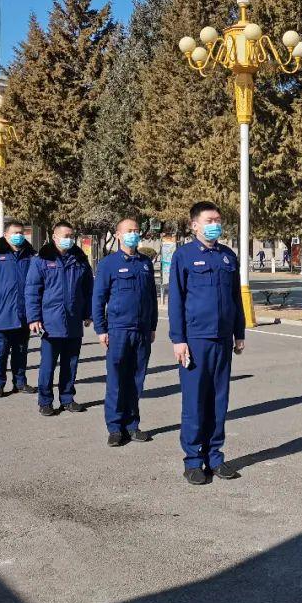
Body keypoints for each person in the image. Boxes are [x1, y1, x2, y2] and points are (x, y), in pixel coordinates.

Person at [168, 201, 245, 485]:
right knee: (195, 401)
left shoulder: (227, 257)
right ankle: (193, 460)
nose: (216, 224)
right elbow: (176, 299)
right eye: (210, 220)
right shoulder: (184, 256)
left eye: (218, 220)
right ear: (195, 225)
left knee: (219, 400)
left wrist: (240, 332)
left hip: (223, 339)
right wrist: (178, 340)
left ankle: (215, 457)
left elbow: (235, 298)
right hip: (195, 340)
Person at [92, 218, 158, 446]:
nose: (134, 234)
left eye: (136, 231)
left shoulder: (145, 263)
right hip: (118, 330)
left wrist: (152, 326)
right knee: (117, 380)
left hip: (141, 331)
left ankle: (132, 424)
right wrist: (101, 329)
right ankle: (115, 427)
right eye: (129, 231)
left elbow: (151, 297)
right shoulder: (108, 264)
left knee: (137, 379)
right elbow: (98, 298)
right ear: (118, 234)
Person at [25, 222, 93, 416]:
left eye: (71, 235)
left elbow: (89, 290)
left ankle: (67, 398)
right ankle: (45, 400)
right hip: (50, 322)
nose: (69, 239)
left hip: (73, 321)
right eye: (65, 235)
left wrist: (88, 313)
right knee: (48, 364)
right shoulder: (41, 260)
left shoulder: (80, 260)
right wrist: (34, 318)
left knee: (71, 363)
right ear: (54, 237)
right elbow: (32, 291)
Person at [0, 220, 38, 398]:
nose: (19, 236)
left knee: (21, 351)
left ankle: (20, 382)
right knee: (1, 351)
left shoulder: (31, 256)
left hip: (24, 313)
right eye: (15, 232)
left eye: (21, 232)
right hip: (2, 312)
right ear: (6, 235)